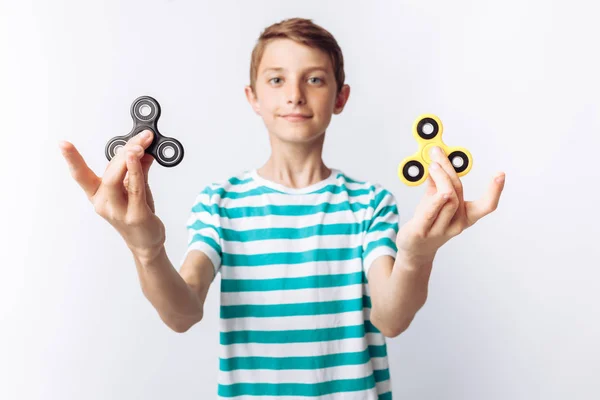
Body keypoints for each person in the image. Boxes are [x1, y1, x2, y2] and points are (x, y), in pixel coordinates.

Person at [59, 17, 505, 400]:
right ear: (253, 96)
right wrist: (145, 248)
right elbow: (181, 313)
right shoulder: (222, 204)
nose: (294, 94)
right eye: (276, 79)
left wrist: (416, 256)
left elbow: (390, 319)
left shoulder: (370, 203)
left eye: (314, 79)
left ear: (340, 96)